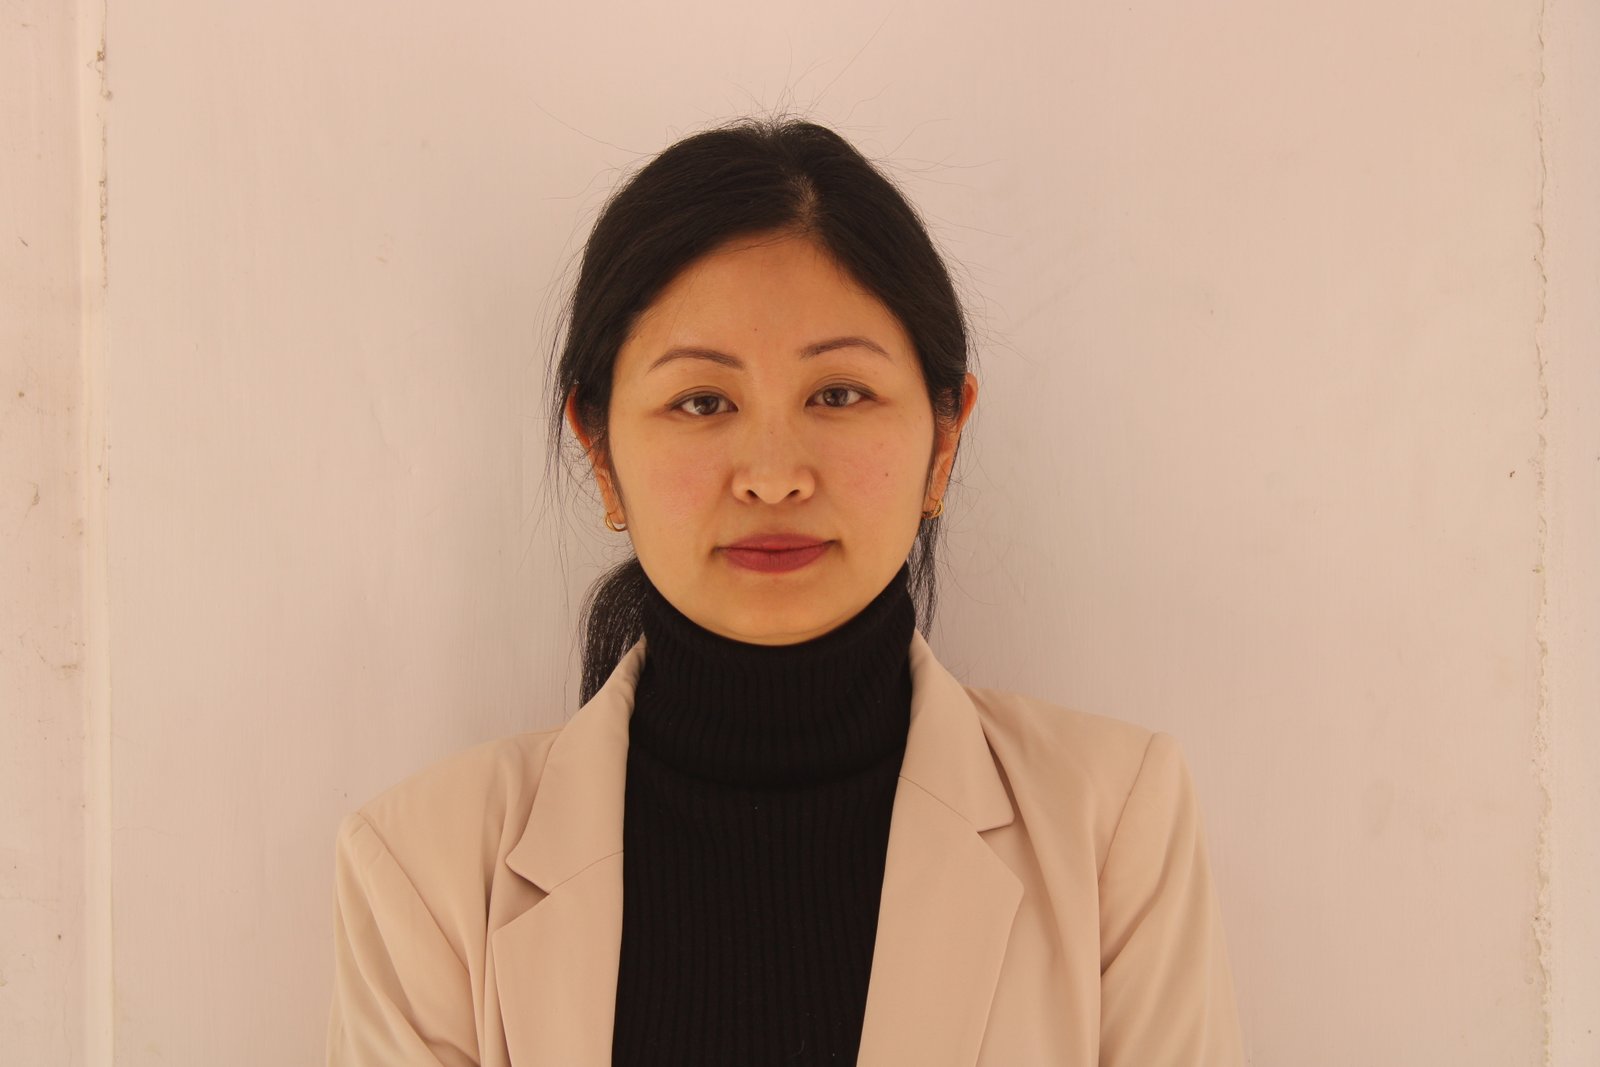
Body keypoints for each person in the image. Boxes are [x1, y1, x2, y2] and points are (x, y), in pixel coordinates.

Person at [325, 115, 1244, 1066]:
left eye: (838, 394)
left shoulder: (1111, 828)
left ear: (944, 439)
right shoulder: (424, 874)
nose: (772, 477)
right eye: (702, 402)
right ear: (600, 452)